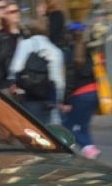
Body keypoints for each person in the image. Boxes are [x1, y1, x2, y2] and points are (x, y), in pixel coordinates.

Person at [8, 18, 65, 125]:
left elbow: (16, 67)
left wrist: (13, 83)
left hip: (31, 94)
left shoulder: (26, 44)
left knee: (32, 129)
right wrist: (60, 99)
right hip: (50, 95)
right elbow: (59, 80)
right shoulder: (56, 50)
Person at [61, 25, 100, 157]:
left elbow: (70, 79)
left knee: (67, 127)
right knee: (84, 126)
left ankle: (88, 148)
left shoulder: (70, 53)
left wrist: (66, 100)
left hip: (79, 94)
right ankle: (90, 152)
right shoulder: (89, 52)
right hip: (93, 92)